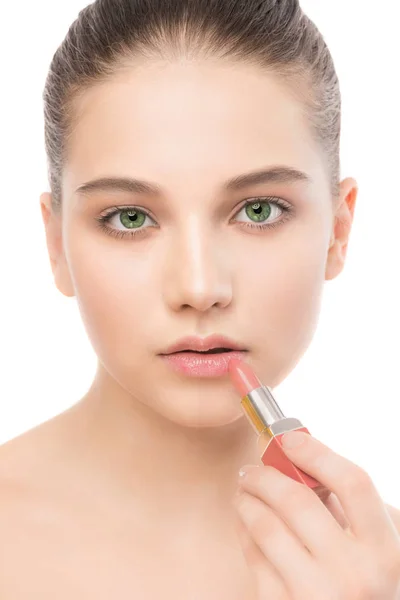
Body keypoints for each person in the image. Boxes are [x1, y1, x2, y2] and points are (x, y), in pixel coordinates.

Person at [0, 0, 399, 598]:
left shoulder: (378, 568)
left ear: (338, 232)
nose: (199, 288)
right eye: (130, 217)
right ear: (56, 243)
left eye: (258, 210)